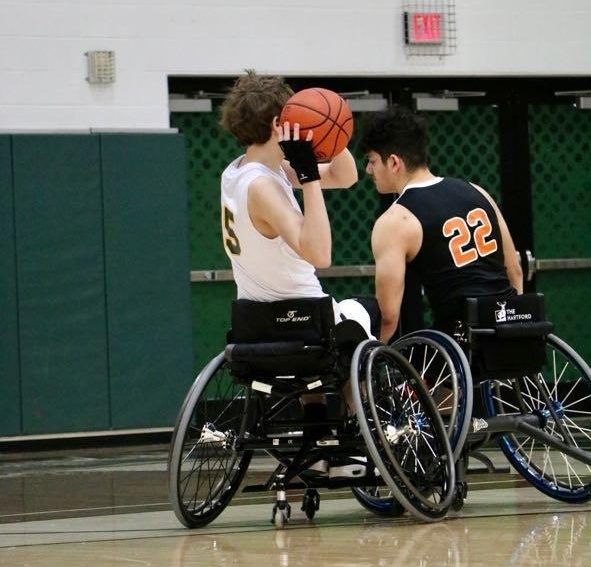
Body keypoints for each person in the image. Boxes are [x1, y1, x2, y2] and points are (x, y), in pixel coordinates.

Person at [219, 70, 368, 478]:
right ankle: (372, 434)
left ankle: (318, 443)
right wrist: (308, 177)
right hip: (302, 321)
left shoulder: (238, 172)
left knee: (320, 344)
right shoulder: (265, 186)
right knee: (366, 318)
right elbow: (320, 253)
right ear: (276, 124)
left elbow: (347, 175)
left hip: (256, 323)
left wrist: (328, 136)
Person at [360, 105, 523, 344]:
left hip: (456, 340)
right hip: (507, 329)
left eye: (372, 161)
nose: (368, 170)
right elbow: (515, 271)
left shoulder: (395, 220)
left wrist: (368, 359)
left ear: (394, 162)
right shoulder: (477, 191)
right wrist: (515, 324)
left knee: (408, 376)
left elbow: (389, 316)